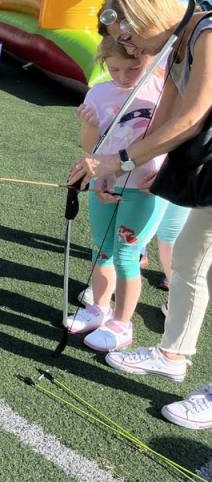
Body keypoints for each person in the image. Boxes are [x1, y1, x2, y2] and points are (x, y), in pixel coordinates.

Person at [69, 0, 212, 430]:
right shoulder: (178, 47)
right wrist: (114, 167)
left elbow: (191, 117)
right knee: (188, 263)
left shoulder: (206, 33)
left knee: (192, 263)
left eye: (130, 38)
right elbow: (163, 120)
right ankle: (172, 355)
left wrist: (118, 161)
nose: (130, 49)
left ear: (149, 19)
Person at [64, 35, 166, 352]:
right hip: (104, 183)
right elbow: (90, 146)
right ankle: (99, 308)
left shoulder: (162, 91)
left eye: (132, 69)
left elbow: (175, 137)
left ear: (148, 58)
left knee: (126, 256)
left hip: (144, 188)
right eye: (114, 69)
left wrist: (165, 172)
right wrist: (90, 126)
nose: (123, 77)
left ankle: (122, 324)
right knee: (101, 249)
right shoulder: (99, 92)